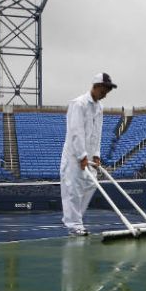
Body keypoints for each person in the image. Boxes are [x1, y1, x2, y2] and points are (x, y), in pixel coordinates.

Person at [60, 72, 117, 236]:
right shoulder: (79, 104)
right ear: (96, 86)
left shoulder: (99, 108)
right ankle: (73, 225)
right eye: (105, 89)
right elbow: (75, 131)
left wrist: (96, 154)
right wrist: (81, 156)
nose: (106, 93)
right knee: (73, 189)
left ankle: (77, 220)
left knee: (91, 185)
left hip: (90, 156)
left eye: (108, 90)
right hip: (74, 155)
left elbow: (97, 133)